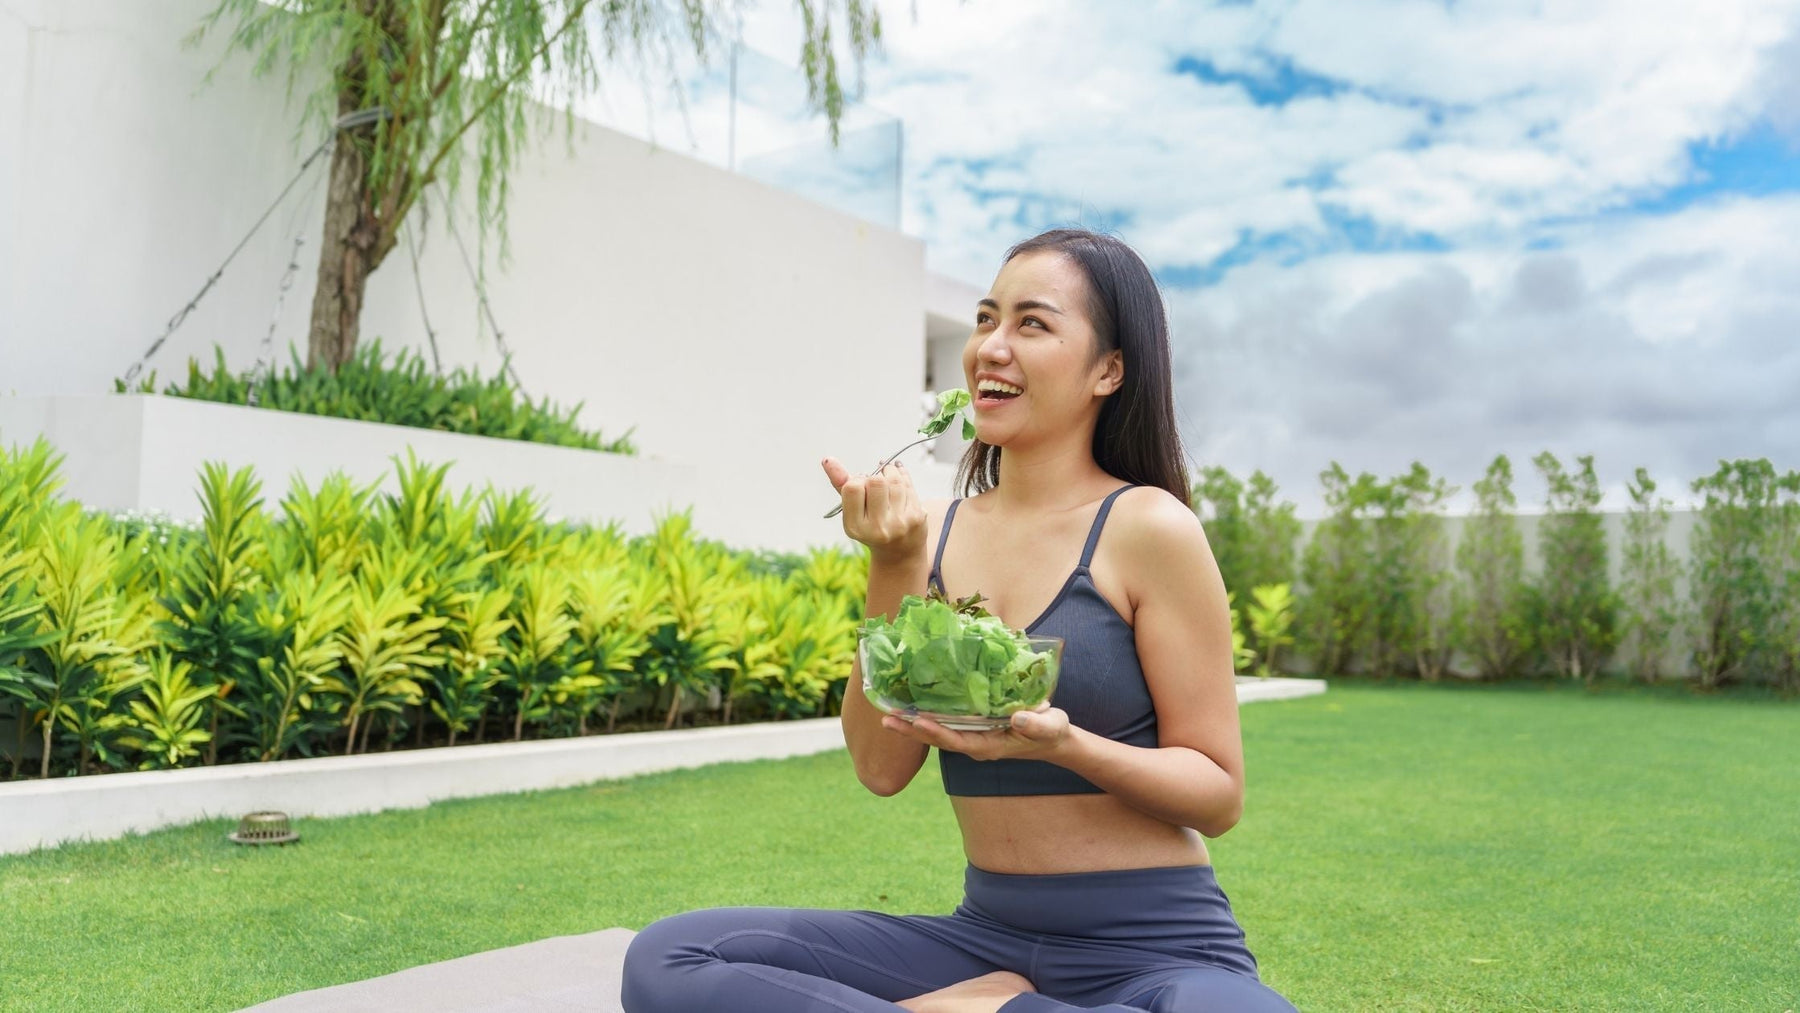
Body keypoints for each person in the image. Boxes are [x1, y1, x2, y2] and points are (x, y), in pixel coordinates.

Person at [620, 229, 1298, 1012]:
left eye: (1032, 324)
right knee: (670, 957)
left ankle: (977, 1006)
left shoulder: (1147, 526)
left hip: (1157, 949)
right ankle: (990, 999)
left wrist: (1064, 741)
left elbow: (1216, 791)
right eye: (985, 318)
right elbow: (881, 768)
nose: (991, 347)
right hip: (983, 935)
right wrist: (894, 562)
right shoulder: (930, 532)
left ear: (1108, 369)